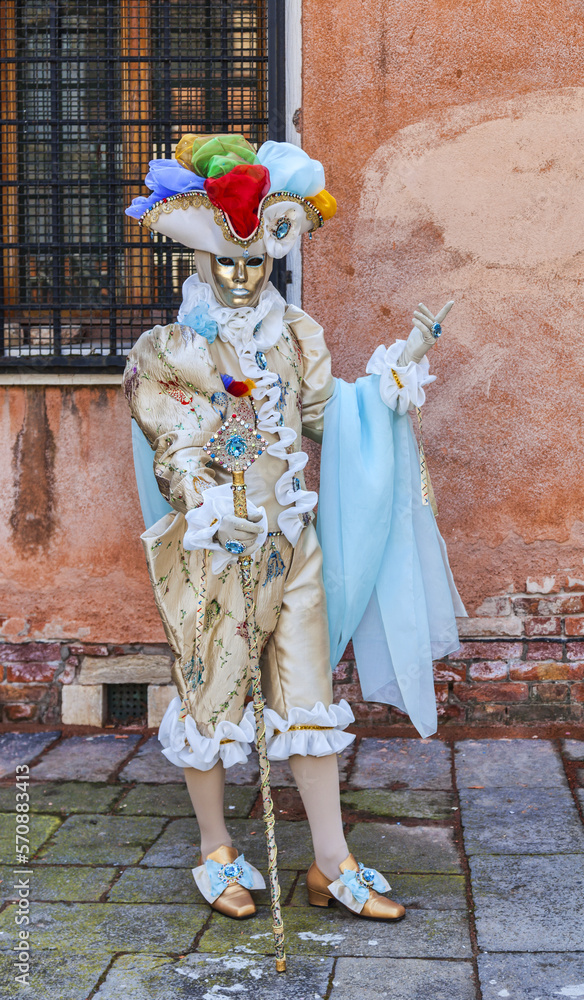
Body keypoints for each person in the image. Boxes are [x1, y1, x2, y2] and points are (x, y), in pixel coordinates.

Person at [124, 134, 463, 922]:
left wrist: (395, 374)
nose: (243, 277)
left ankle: (330, 863)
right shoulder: (173, 348)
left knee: (308, 696)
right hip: (216, 546)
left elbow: (324, 416)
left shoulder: (295, 334)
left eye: (255, 262)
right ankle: (216, 847)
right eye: (227, 262)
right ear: (203, 260)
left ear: (275, 255)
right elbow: (170, 443)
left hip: (290, 542)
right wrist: (207, 503)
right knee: (212, 694)